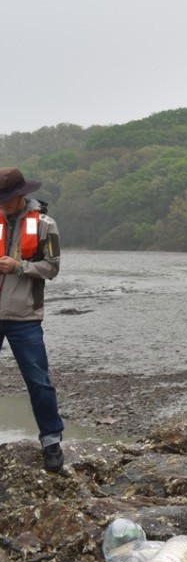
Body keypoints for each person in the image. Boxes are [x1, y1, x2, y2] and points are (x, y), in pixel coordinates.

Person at [0, 168, 65, 472]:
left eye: (6, 199)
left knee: (38, 381)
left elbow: (52, 268)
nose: (2, 204)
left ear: (20, 196)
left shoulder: (44, 225)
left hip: (25, 316)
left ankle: (51, 441)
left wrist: (18, 266)